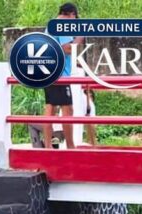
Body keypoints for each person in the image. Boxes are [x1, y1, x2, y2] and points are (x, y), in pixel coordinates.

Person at [43, 2, 84, 150]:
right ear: (71, 14)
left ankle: (48, 146)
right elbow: (67, 49)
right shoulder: (62, 24)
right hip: (59, 74)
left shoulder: (52, 24)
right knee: (67, 109)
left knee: (50, 108)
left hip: (48, 70)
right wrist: (79, 38)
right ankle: (70, 146)